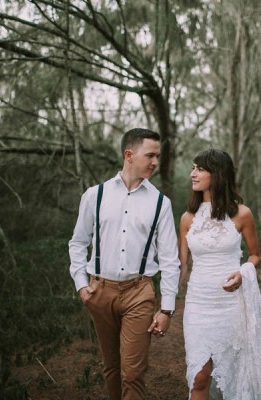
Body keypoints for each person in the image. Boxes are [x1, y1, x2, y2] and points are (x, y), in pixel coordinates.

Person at [69, 128, 180, 400]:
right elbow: (77, 243)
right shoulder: (95, 195)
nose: (155, 162)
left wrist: (166, 308)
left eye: (158, 156)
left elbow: (169, 259)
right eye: (150, 155)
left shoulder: (160, 204)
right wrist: (82, 285)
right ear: (129, 155)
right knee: (112, 368)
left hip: (138, 293)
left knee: (132, 372)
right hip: (99, 292)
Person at [179, 148, 261, 400]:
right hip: (198, 304)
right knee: (199, 378)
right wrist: (165, 305)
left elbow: (255, 255)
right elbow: (181, 265)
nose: (192, 174)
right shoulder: (188, 218)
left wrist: (243, 272)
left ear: (217, 174)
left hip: (230, 305)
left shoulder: (242, 214)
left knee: (231, 373)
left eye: (199, 169)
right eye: (193, 168)